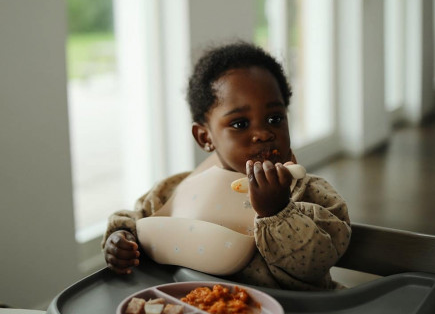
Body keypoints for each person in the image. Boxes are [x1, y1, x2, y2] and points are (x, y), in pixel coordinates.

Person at [102, 41, 351, 291]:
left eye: (275, 119)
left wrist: (278, 211)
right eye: (241, 124)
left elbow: (315, 263)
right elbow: (136, 222)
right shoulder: (174, 192)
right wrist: (121, 240)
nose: (263, 133)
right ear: (205, 137)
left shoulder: (313, 194)